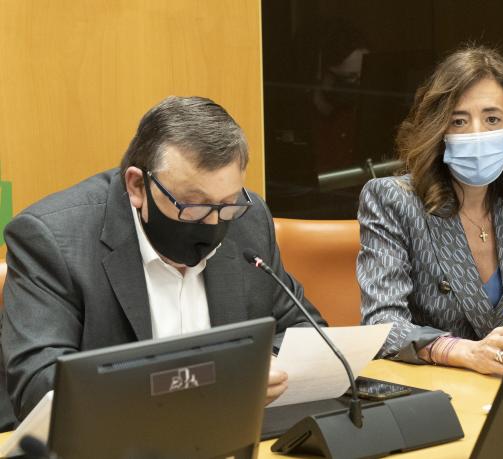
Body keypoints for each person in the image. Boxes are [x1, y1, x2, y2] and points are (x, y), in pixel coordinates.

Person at [0, 96, 326, 426]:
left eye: (226, 205)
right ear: (138, 186)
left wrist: (261, 366)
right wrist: (198, 385)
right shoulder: (52, 239)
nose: (213, 224)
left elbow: (307, 333)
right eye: (192, 205)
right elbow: (40, 386)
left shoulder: (248, 220)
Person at [356, 45, 503, 376]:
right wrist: (464, 351)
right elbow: (382, 325)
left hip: (501, 386)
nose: (477, 133)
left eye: (492, 119)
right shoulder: (394, 200)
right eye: (459, 121)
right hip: (430, 393)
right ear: (439, 132)